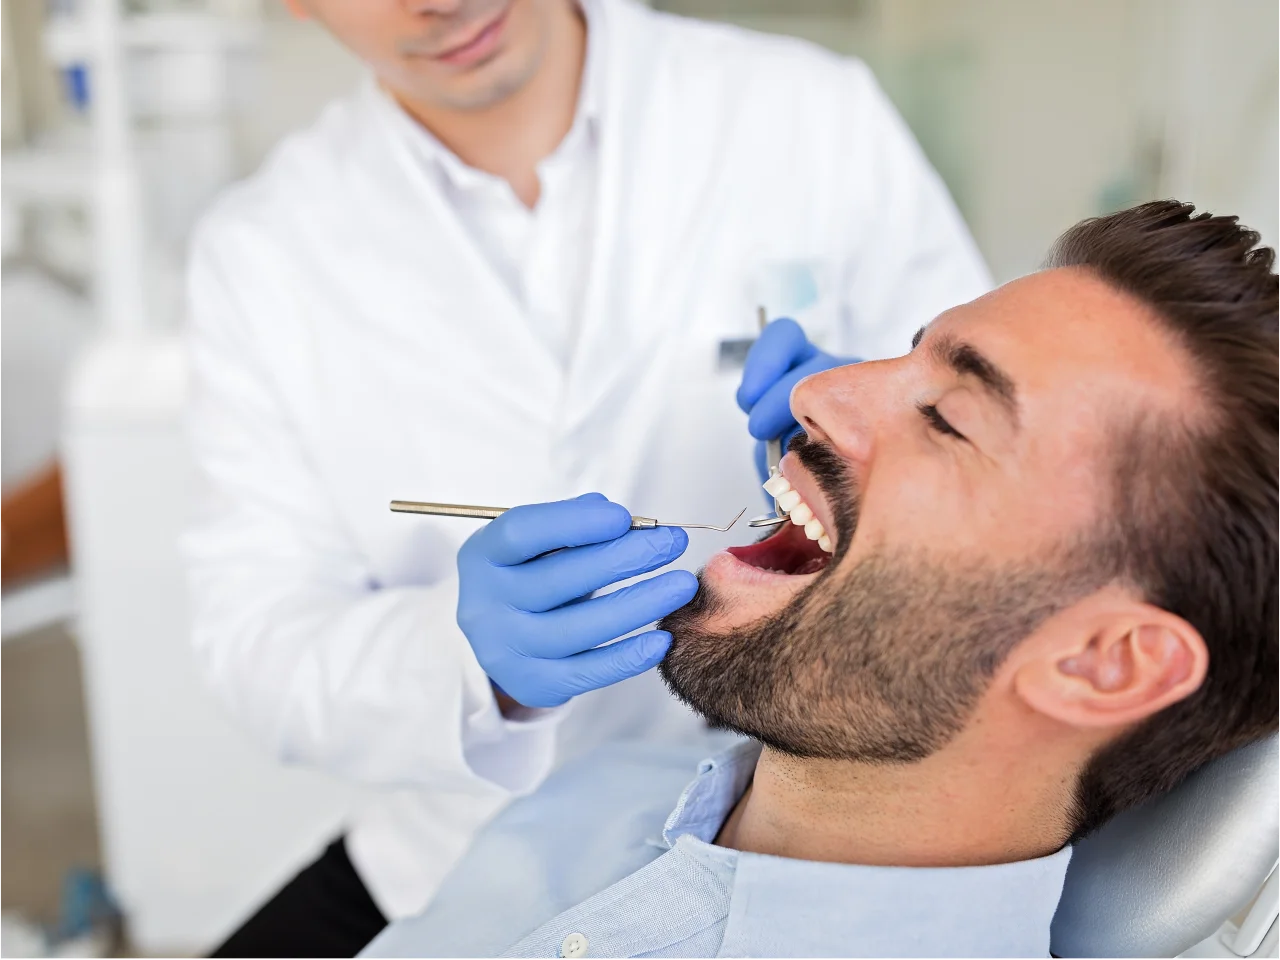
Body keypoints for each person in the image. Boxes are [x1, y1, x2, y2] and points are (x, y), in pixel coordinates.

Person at [183, 0, 989, 954]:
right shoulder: (263, 250)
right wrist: (470, 666)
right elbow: (256, 636)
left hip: (802, 829)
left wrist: (879, 414)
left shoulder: (807, 116)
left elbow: (1005, 473)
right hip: (454, 852)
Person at [360, 201, 1280, 958]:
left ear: (1103, 663)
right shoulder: (597, 794)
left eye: (950, 418)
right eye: (903, 351)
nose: (815, 393)